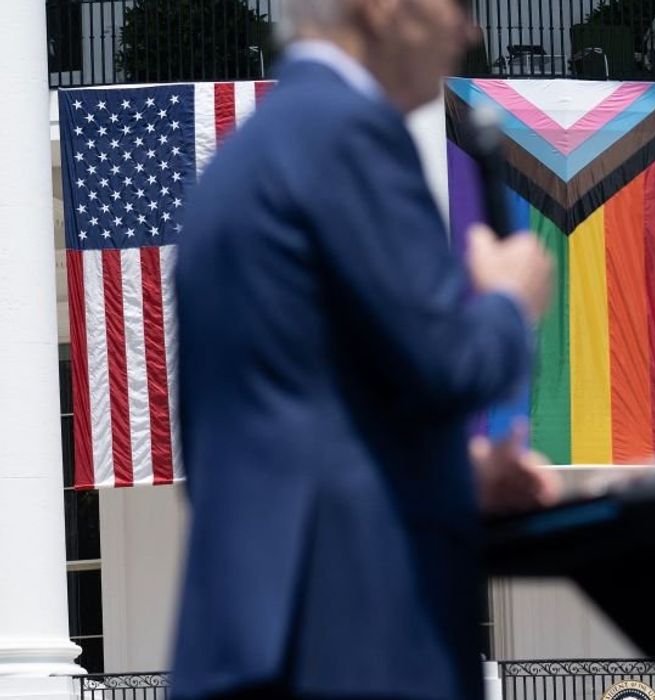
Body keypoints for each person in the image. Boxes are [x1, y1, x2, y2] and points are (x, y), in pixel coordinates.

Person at [170, 0, 559, 698]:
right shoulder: (348, 133)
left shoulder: (241, 159)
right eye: (462, 6)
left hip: (259, 635)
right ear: (381, 8)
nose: (471, 32)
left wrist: (454, 472)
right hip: (356, 634)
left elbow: (279, 418)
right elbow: (448, 363)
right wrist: (509, 301)